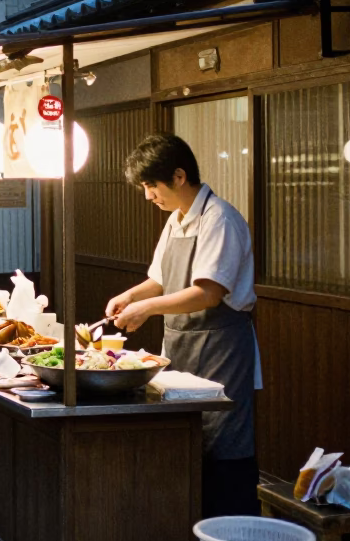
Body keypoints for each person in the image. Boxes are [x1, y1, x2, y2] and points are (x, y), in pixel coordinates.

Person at [104, 132, 260, 518]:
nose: (147, 196)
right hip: (181, 347)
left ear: (178, 176)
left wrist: (148, 309)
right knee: (187, 443)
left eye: (150, 185)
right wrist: (131, 296)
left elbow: (208, 292)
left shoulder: (219, 219)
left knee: (224, 446)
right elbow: (160, 279)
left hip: (222, 349)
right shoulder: (175, 221)